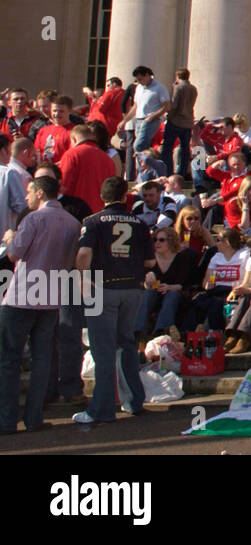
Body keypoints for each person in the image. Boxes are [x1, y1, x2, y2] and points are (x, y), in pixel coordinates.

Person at [0, 175, 80, 434]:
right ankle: (33, 418)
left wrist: (10, 236)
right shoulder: (72, 223)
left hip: (22, 296)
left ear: (40, 193)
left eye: (29, 192)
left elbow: (14, 253)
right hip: (50, 297)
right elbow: (70, 262)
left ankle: (7, 419)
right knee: (42, 358)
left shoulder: (33, 219)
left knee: (10, 359)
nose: (26, 197)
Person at [73, 176, 155, 424]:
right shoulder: (140, 223)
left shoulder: (93, 222)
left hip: (103, 288)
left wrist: (81, 279)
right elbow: (150, 262)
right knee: (126, 344)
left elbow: (85, 253)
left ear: (102, 197)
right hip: (132, 289)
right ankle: (133, 401)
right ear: (125, 197)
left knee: (103, 349)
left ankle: (102, 409)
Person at [133, 225, 199, 339]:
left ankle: (162, 330)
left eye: (161, 240)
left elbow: (181, 284)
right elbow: (145, 285)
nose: (157, 243)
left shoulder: (182, 258)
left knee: (172, 294)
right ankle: (138, 331)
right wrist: (148, 282)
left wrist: (168, 287)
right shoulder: (150, 259)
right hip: (154, 293)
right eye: (155, 240)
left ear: (171, 241)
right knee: (148, 293)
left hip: (176, 294)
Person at [186, 228, 247, 333]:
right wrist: (207, 285)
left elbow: (247, 277)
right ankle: (186, 333)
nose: (216, 243)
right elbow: (206, 281)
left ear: (227, 243)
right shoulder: (216, 257)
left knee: (216, 303)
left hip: (233, 291)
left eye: (218, 240)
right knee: (198, 301)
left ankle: (212, 333)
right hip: (217, 290)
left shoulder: (244, 255)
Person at [121, 67, 169, 182]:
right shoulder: (139, 88)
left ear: (148, 75)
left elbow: (166, 106)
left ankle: (142, 171)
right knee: (144, 148)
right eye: (138, 80)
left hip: (151, 120)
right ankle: (145, 173)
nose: (140, 82)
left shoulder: (159, 88)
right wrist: (125, 120)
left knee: (138, 146)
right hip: (138, 119)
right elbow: (135, 106)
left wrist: (152, 116)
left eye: (141, 79)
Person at [57, 124, 117, 213]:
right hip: (100, 213)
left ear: (74, 139)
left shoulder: (71, 155)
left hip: (76, 212)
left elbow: (63, 186)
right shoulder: (107, 159)